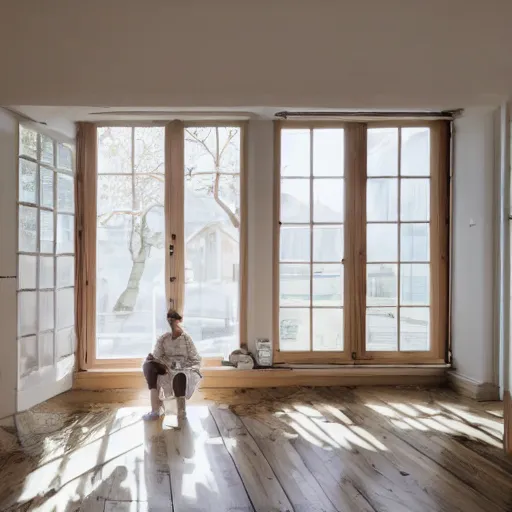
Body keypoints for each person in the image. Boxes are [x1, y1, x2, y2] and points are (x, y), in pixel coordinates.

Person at [142, 309, 202, 421]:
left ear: (179, 321)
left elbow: (195, 358)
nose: (171, 323)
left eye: (174, 320)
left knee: (180, 375)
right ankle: (155, 410)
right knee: (148, 366)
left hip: (183, 368)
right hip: (166, 367)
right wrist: (152, 358)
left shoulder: (186, 339)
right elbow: (157, 355)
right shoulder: (163, 338)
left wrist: (188, 367)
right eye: (169, 321)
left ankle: (181, 411)